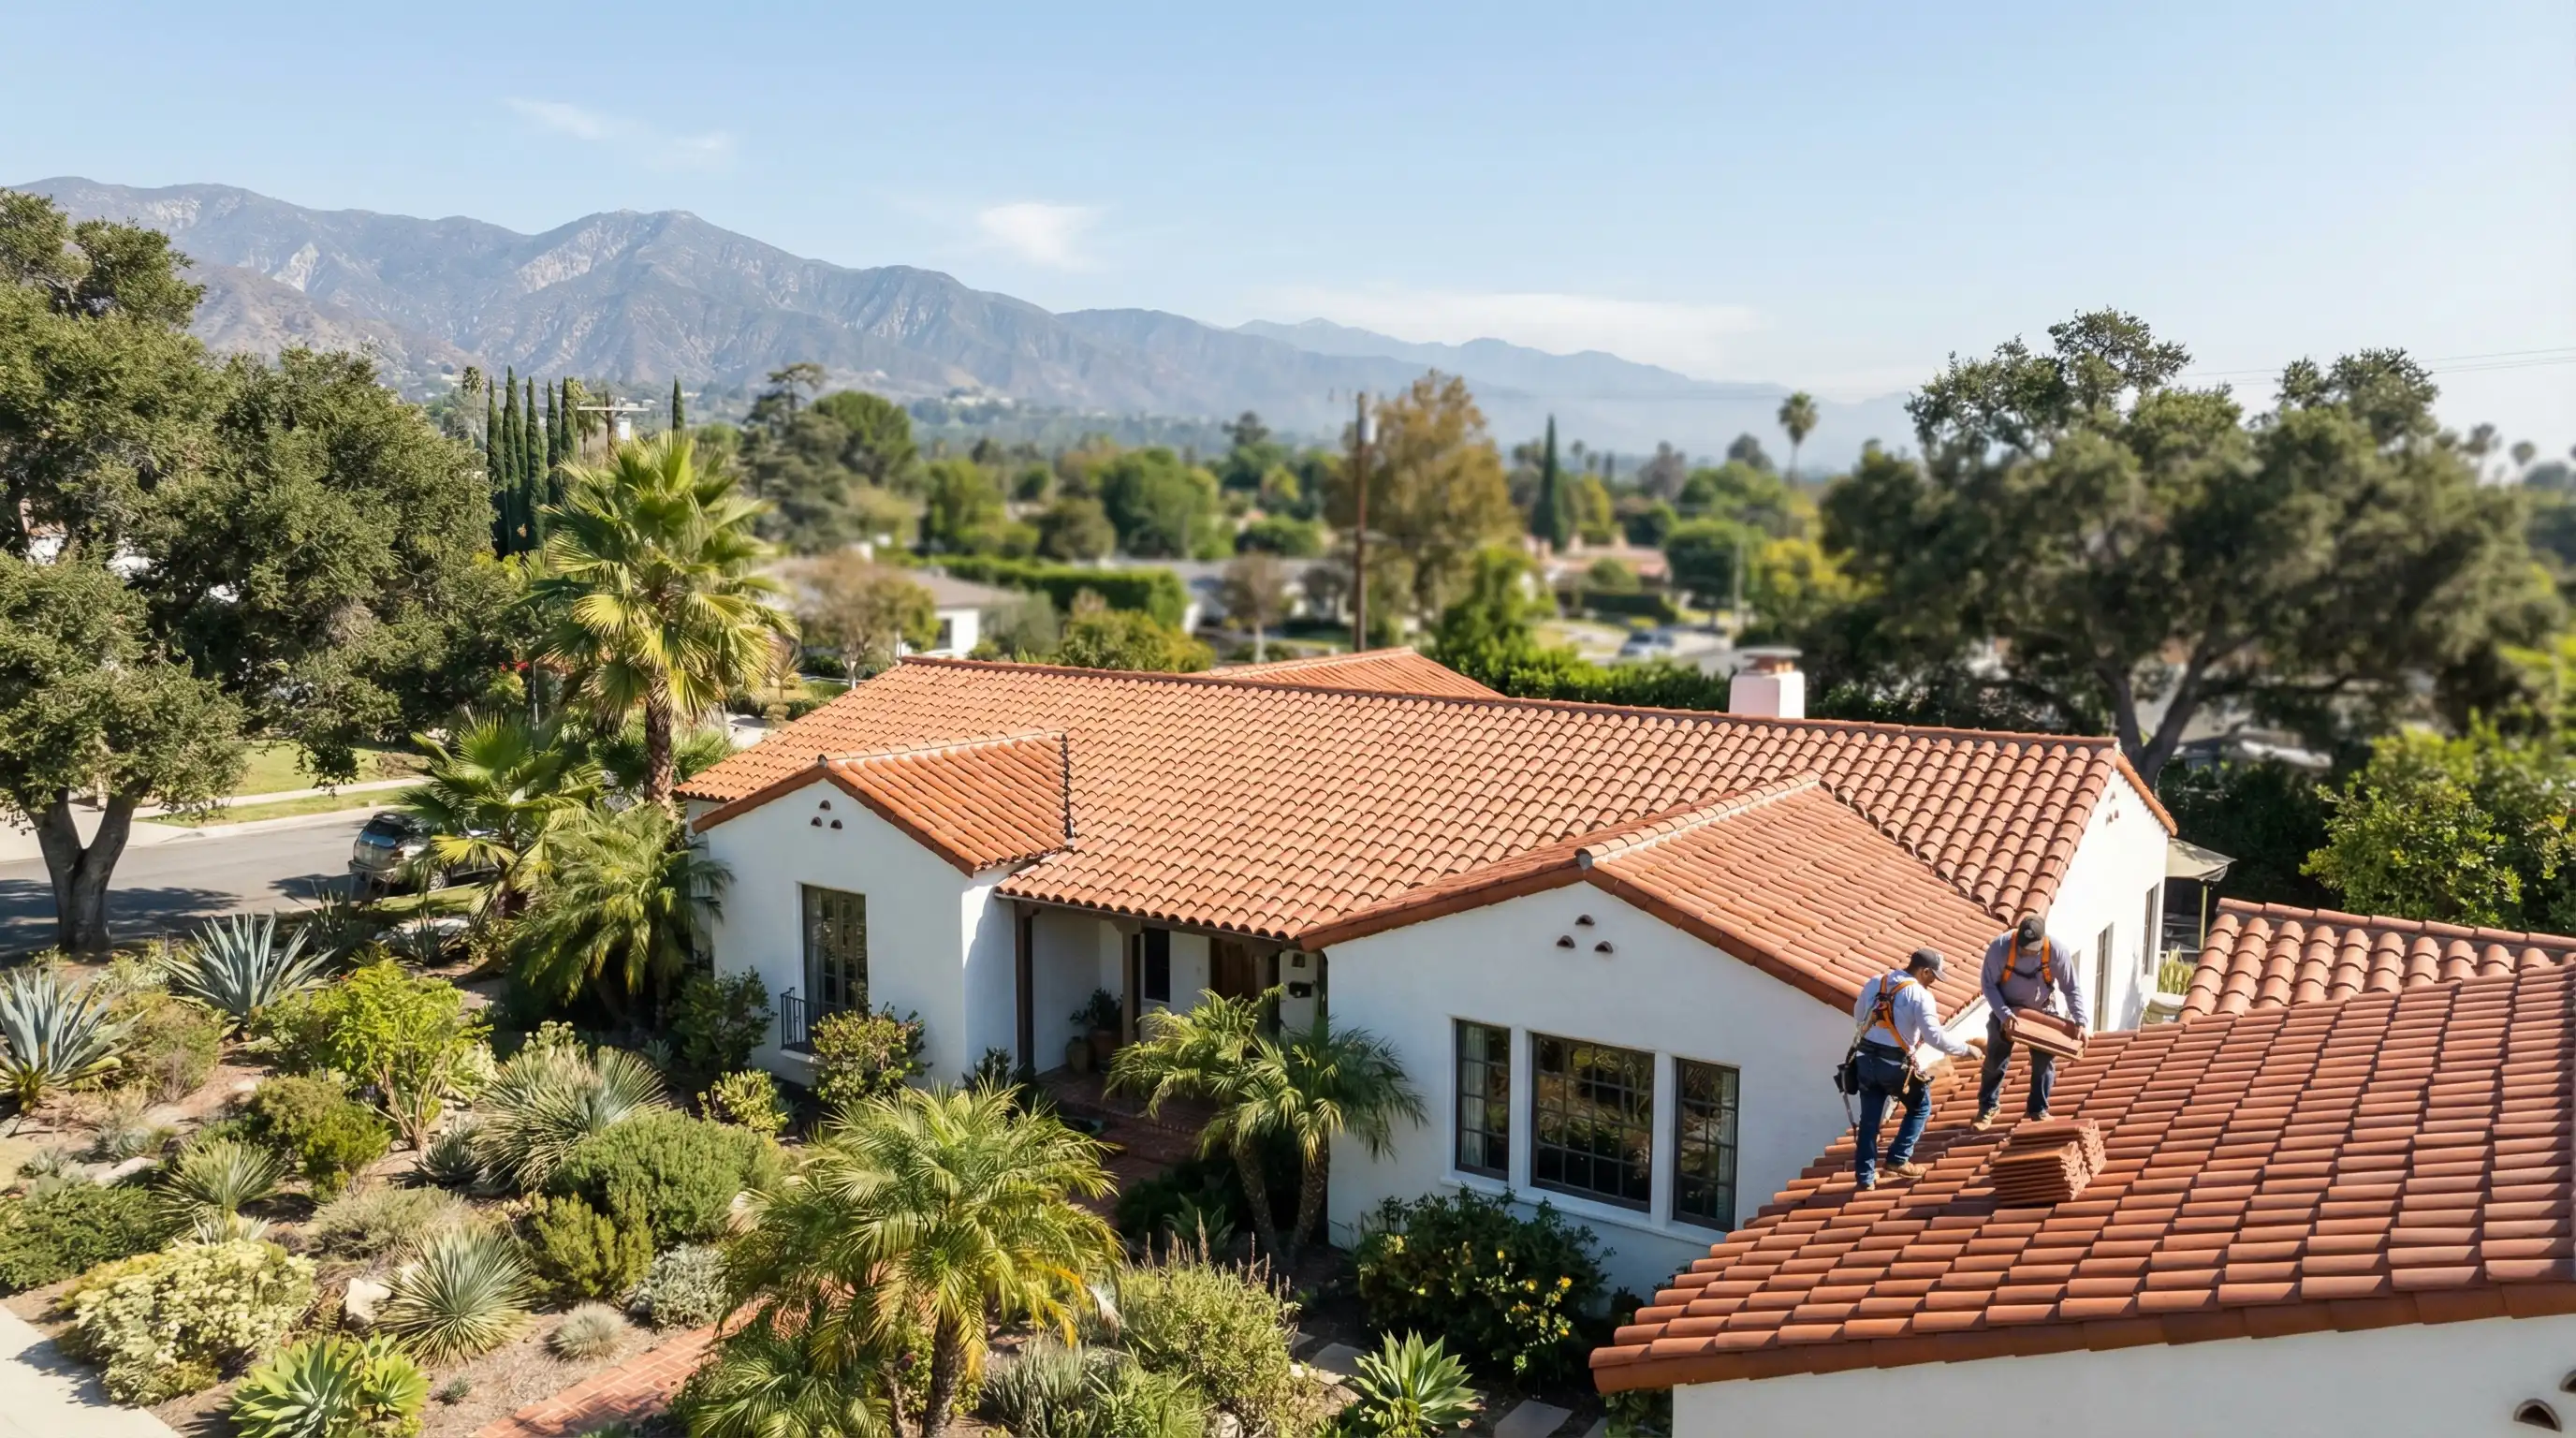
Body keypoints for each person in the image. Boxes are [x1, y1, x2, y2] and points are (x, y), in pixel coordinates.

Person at [1848, 946, 1974, 1189]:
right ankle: (1897, 1159)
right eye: (1933, 977)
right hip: (1894, 1065)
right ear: (1924, 971)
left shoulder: (1876, 981)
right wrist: (1965, 1050)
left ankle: (1865, 1177)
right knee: (1920, 1107)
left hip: (1865, 1060)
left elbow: (1858, 1014)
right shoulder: (1920, 995)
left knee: (1869, 1121)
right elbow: (1935, 1037)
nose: (1934, 982)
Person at [1974, 909, 2089, 1130]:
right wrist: (2004, 1014)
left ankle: (2038, 1109)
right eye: (2023, 948)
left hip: (2042, 1012)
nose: (2027, 953)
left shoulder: (2056, 951)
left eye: (2032, 949)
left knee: (2044, 1061)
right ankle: (1988, 1107)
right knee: (1995, 1060)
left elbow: (2071, 988)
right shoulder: (2000, 948)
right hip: (2006, 1010)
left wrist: (2080, 1021)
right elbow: (1988, 985)